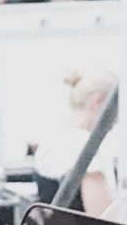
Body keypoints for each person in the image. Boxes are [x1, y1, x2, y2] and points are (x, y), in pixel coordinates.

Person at [33, 69, 117, 213]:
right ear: (97, 102)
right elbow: (103, 218)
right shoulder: (84, 148)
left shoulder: (51, 140)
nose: (115, 121)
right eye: (116, 112)